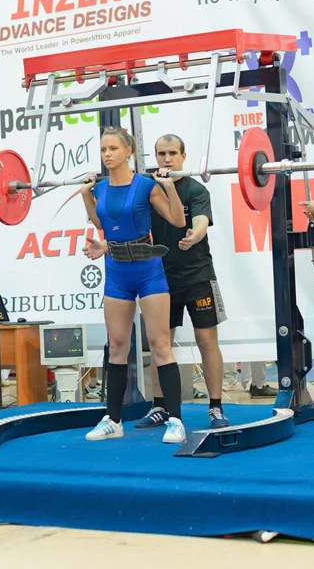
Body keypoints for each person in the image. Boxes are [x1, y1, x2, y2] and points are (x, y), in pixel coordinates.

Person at [81, 126, 187, 443]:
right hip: (116, 271)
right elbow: (101, 224)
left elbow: (178, 221)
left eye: (113, 148)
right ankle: (113, 420)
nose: (107, 154)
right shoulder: (99, 188)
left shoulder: (144, 186)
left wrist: (169, 187)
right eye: (103, 150)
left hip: (148, 270)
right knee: (117, 346)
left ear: (129, 151)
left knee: (159, 345)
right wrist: (87, 195)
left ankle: (176, 420)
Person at [134, 134, 229, 429]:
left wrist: (194, 234)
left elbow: (200, 221)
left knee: (206, 341)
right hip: (160, 279)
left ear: (183, 157)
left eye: (172, 153)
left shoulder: (195, 190)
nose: (166, 159)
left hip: (198, 276)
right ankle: (160, 407)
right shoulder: (149, 191)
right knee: (160, 343)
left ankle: (215, 408)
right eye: (161, 153)